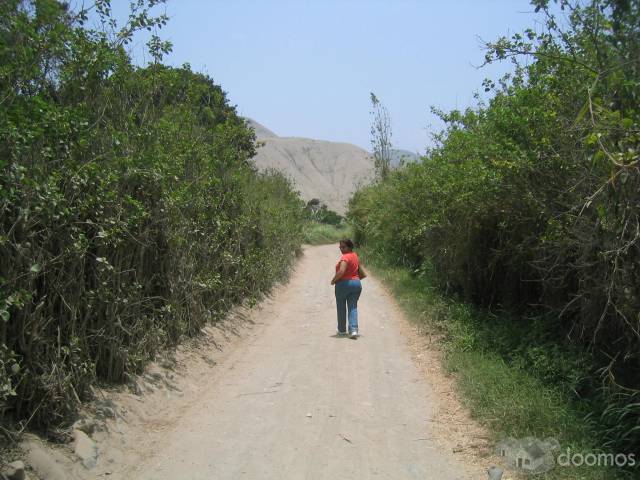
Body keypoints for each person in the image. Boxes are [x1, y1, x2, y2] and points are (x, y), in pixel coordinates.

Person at [330, 239, 362, 339]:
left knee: (341, 307)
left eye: (343, 247)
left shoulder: (345, 257)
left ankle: (342, 330)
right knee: (353, 307)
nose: (341, 249)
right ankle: (353, 331)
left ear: (349, 247)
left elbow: (341, 271)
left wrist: (333, 280)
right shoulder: (355, 256)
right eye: (340, 247)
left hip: (343, 284)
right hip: (356, 284)